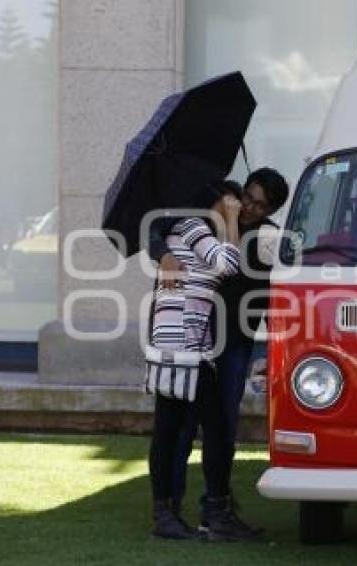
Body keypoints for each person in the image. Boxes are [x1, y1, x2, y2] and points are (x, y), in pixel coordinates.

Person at [149, 167, 289, 541]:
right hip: (187, 344)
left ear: (271, 209)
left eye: (260, 205)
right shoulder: (197, 228)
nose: (247, 207)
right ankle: (171, 511)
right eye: (245, 198)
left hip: (219, 345)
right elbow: (158, 234)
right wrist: (163, 254)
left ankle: (212, 509)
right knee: (175, 428)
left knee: (217, 428)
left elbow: (250, 277)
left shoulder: (266, 237)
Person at [147, 181, 243, 540]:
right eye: (229, 199)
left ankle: (168, 515)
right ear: (216, 199)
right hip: (183, 349)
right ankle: (211, 514)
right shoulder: (194, 228)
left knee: (171, 429)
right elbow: (227, 265)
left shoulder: (189, 230)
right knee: (212, 429)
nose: (234, 205)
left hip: (178, 347)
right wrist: (231, 220)